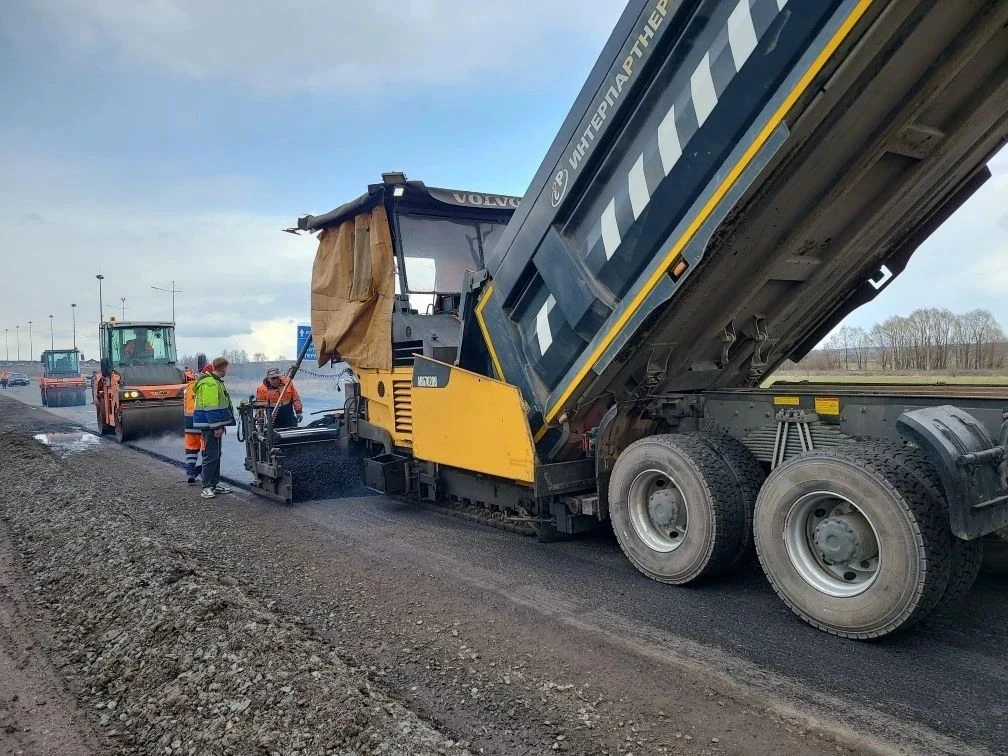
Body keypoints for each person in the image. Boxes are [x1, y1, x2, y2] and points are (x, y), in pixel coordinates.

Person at [192, 356, 236, 499]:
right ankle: (206, 487)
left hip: (213, 425)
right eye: (226, 367)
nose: (227, 370)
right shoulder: (210, 383)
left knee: (216, 455)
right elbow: (210, 407)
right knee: (210, 456)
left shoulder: (215, 382)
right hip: (209, 426)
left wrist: (221, 424)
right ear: (223, 367)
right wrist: (216, 426)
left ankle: (214, 484)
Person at [182, 355, 209, 484]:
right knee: (206, 448)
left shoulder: (189, 387)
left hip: (189, 422)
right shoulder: (207, 386)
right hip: (202, 421)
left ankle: (190, 473)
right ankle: (204, 472)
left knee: (191, 449)